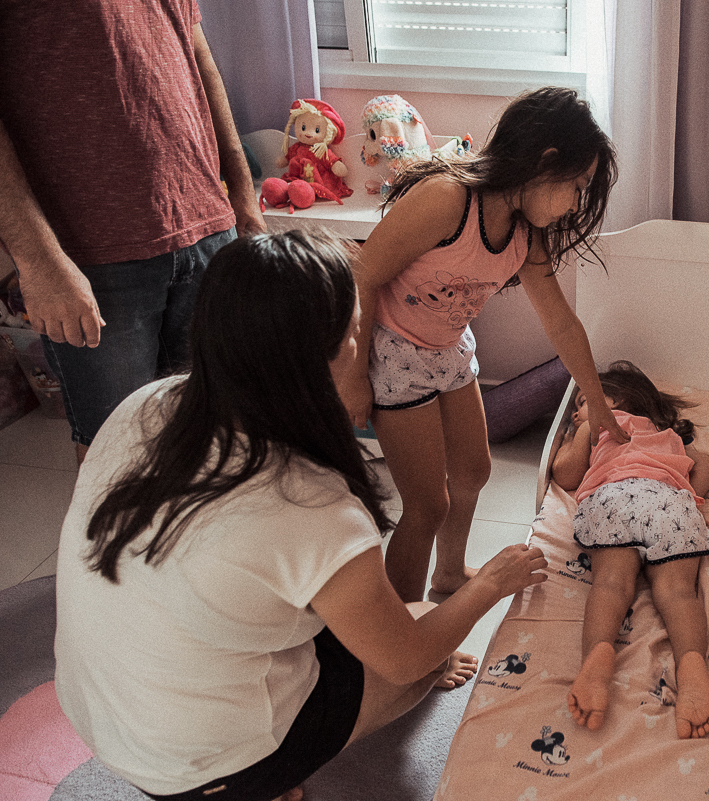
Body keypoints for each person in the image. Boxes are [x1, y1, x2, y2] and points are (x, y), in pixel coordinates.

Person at [54, 230, 548, 801]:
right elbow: (405, 656)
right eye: (359, 333)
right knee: (425, 648)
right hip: (197, 766)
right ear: (328, 358)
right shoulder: (309, 503)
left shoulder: (147, 403)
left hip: (100, 719)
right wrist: (491, 583)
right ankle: (255, 781)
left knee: (388, 618)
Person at [341, 86, 629, 604]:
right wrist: (354, 374)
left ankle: (448, 575)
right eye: (576, 186)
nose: (574, 204)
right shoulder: (447, 199)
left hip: (449, 348)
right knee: (427, 506)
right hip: (394, 352)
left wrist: (599, 404)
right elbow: (363, 274)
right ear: (546, 162)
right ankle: (405, 625)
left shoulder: (525, 235)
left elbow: (563, 324)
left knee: (474, 471)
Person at [0, 0, 266, 465]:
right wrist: (40, 262)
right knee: (119, 459)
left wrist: (241, 189)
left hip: (208, 226)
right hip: (93, 255)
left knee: (219, 436)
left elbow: (198, 55)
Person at [551, 361, 709, 739]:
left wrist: (577, 436)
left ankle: (598, 654)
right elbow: (706, 464)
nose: (576, 413)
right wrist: (690, 500)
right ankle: (691, 666)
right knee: (679, 592)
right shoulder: (669, 436)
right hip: (669, 502)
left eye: (583, 402)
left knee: (611, 584)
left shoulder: (598, 425)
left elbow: (565, 474)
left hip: (615, 498)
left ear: (612, 401)